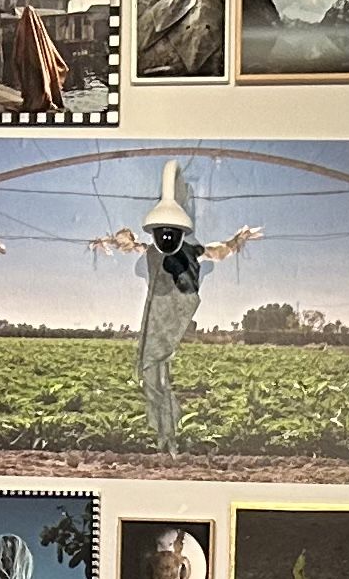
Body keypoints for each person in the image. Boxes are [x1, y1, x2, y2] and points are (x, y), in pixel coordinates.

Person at [90, 162, 264, 458]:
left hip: (171, 316)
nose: (166, 237)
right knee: (154, 377)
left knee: (159, 375)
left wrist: (236, 242)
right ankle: (164, 436)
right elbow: (133, 246)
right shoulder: (152, 250)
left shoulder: (190, 251)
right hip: (157, 316)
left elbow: (216, 252)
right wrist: (114, 241)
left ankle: (168, 436)